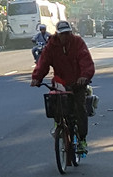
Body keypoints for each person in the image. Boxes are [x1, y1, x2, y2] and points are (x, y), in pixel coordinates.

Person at [31, 18, 96, 150]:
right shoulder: (51, 45)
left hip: (78, 83)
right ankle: (58, 126)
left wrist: (84, 76)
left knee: (80, 110)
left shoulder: (77, 42)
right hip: (60, 83)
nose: (65, 36)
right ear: (57, 34)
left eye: (67, 33)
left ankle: (82, 139)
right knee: (56, 106)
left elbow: (86, 61)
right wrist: (36, 78)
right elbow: (43, 63)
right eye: (62, 34)